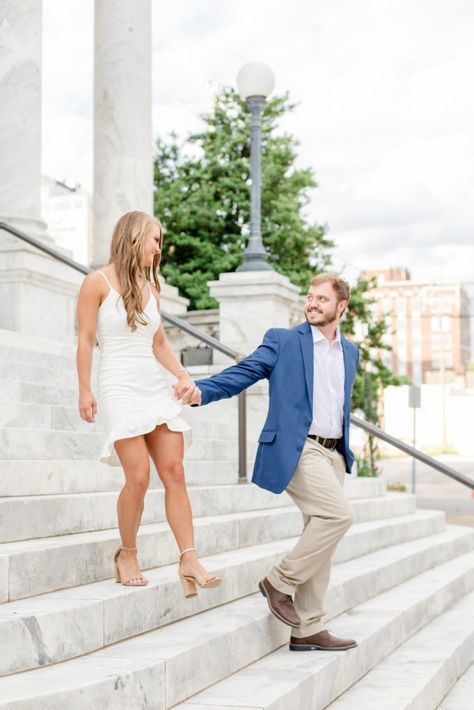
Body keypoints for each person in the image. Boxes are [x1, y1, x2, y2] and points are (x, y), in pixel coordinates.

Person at [175, 273, 359, 650]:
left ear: (341, 307)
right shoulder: (284, 340)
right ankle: (278, 582)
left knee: (319, 536)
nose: (312, 304)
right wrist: (201, 391)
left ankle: (307, 628)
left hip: (333, 452)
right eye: (310, 297)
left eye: (322, 299)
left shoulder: (350, 352)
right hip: (299, 448)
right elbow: (243, 372)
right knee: (339, 516)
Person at [76, 210, 220, 596]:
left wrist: (182, 375)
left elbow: (158, 342)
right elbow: (85, 340)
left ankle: (188, 557)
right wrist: (84, 389)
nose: (158, 249)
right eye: (154, 240)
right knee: (138, 476)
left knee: (174, 470)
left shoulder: (150, 288)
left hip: (151, 384)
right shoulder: (96, 283)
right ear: (134, 237)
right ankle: (127, 553)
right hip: (118, 385)